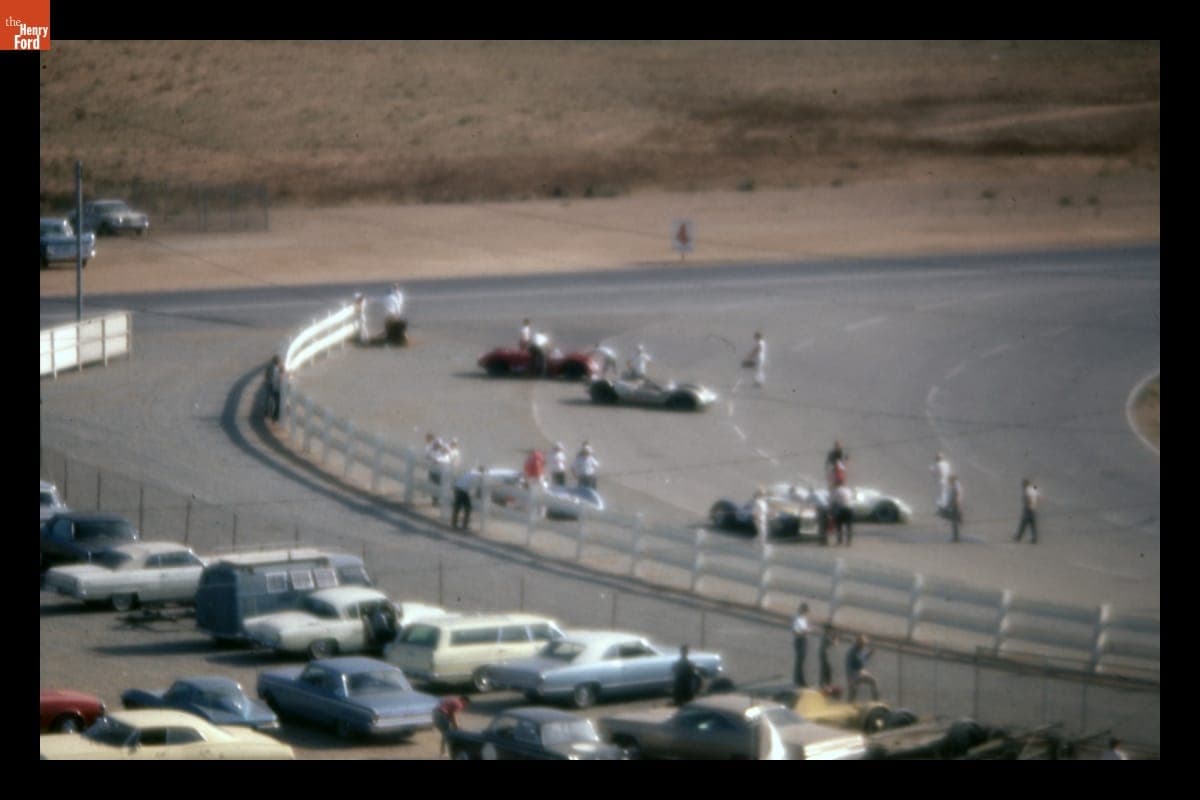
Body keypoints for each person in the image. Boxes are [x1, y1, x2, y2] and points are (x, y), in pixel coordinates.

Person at [845, 634, 879, 702]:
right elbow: (849, 665)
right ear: (859, 643)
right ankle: (850, 703)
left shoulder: (859, 649)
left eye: (864, 644)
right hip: (854, 673)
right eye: (863, 644)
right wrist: (850, 679)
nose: (864, 646)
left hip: (859, 672)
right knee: (854, 689)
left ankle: (876, 701)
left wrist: (869, 654)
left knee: (873, 681)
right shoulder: (852, 652)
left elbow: (862, 659)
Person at [452, 465, 486, 530]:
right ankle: (464, 525)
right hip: (463, 490)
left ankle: (454, 523)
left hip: (457, 488)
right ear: (482, 471)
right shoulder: (478, 475)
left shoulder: (470, 472)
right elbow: (478, 486)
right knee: (468, 508)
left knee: (457, 507)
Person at [1014, 478, 1039, 544]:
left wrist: (1028, 505)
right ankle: (1034, 538)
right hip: (1033, 509)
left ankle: (1018, 537)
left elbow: (1028, 499)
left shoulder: (1027, 491)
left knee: (1023, 524)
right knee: (1032, 525)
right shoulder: (1033, 489)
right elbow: (1037, 495)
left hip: (1028, 510)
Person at [791, 603, 810, 687]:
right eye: (806, 612)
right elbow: (795, 631)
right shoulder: (797, 619)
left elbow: (804, 628)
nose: (807, 614)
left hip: (804, 640)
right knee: (800, 662)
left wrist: (806, 630)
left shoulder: (804, 618)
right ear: (802, 610)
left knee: (802, 662)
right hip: (799, 640)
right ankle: (800, 680)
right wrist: (804, 631)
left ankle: (799, 679)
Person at [264, 354, 284, 422]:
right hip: (274, 387)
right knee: (274, 401)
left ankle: (271, 415)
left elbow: (266, 377)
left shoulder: (271, 367)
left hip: (274, 387)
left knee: (272, 401)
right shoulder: (276, 368)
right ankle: (273, 416)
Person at [818, 624, 838, 691]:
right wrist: (835, 637)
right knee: (827, 670)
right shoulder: (826, 637)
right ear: (828, 630)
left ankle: (824, 684)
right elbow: (835, 644)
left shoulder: (825, 636)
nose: (831, 631)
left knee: (825, 669)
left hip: (823, 654)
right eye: (830, 630)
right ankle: (825, 685)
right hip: (824, 655)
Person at [944, 474, 963, 542]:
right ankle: (955, 537)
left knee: (954, 522)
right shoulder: (953, 486)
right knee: (953, 522)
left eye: (949, 480)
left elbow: (957, 496)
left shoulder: (955, 487)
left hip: (954, 505)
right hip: (953, 504)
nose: (948, 481)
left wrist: (957, 505)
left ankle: (955, 538)